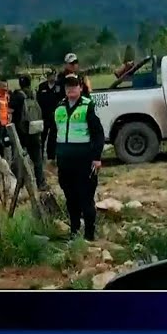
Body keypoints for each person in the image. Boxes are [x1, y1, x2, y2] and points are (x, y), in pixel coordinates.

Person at [54, 74, 104, 241]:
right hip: (64, 161)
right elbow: (56, 132)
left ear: (80, 88)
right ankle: (74, 232)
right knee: (70, 198)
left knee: (86, 198)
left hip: (83, 161)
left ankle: (89, 236)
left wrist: (96, 158)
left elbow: (98, 134)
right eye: (67, 86)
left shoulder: (87, 105)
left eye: (74, 86)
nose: (70, 89)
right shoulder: (60, 107)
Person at [10, 75, 46, 190]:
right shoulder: (34, 94)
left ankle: (18, 184)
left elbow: (11, 112)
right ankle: (40, 182)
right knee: (37, 159)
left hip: (21, 132)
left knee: (19, 158)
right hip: (35, 130)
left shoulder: (16, 96)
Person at [37, 69, 61, 163]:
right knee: (42, 137)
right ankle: (40, 156)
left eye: (53, 75)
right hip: (44, 116)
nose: (52, 77)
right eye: (50, 75)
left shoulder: (59, 87)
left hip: (55, 115)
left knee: (53, 137)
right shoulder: (42, 86)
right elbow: (39, 101)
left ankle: (51, 157)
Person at [0, 78, 12, 161]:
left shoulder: (7, 96)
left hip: (6, 124)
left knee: (7, 142)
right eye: (3, 86)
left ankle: (6, 160)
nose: (5, 88)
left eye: (6, 86)